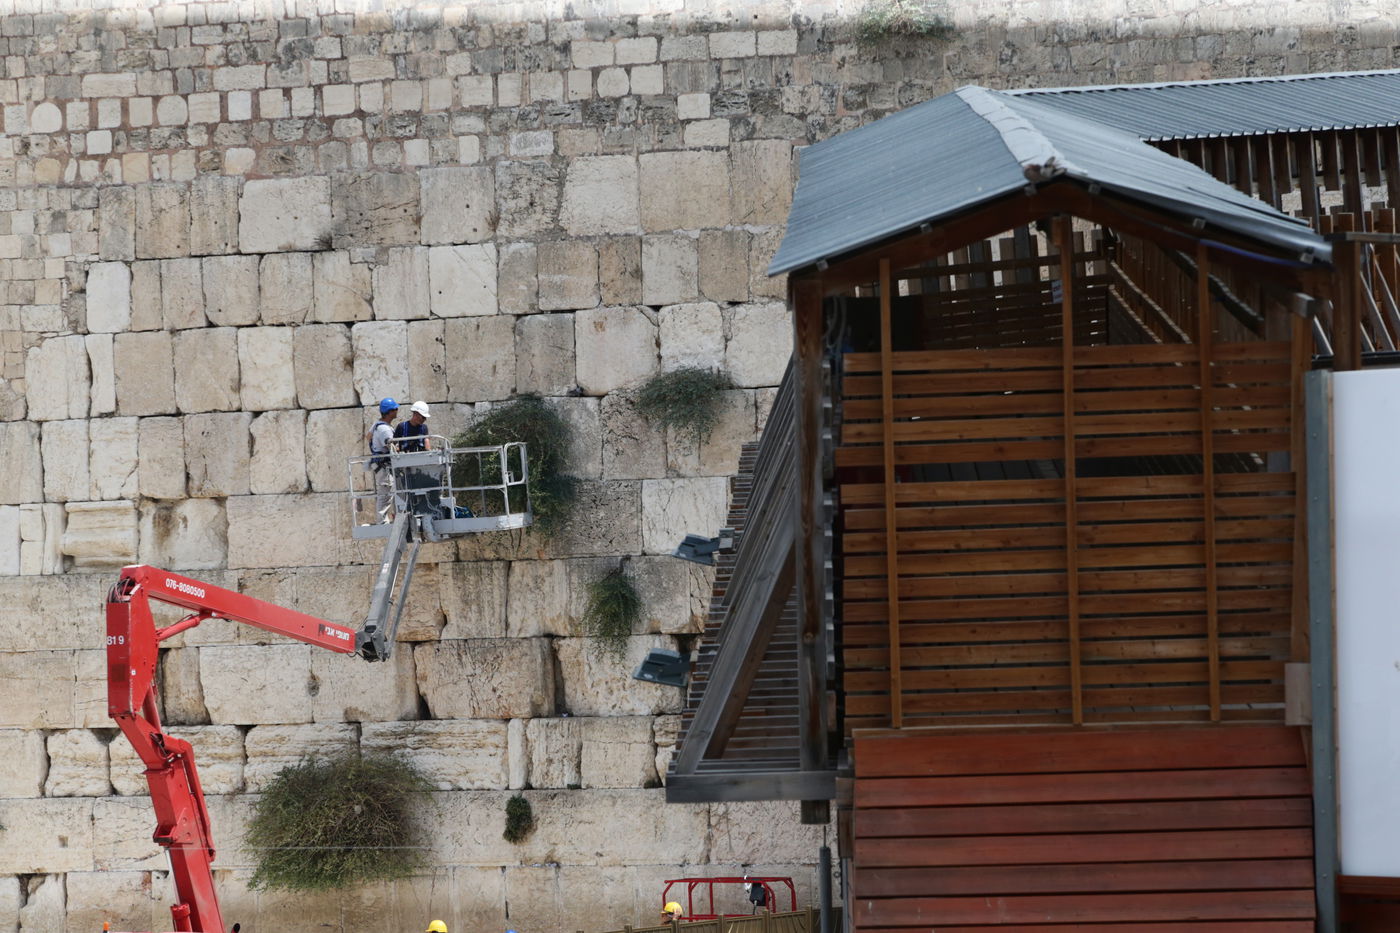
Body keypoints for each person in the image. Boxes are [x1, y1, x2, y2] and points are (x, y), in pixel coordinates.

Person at [366, 397, 398, 523]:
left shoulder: (377, 424)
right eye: (395, 409)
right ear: (390, 412)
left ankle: (386, 519)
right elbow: (391, 447)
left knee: (388, 493)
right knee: (386, 494)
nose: (397, 410)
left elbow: (368, 437)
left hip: (381, 464)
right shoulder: (384, 429)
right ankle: (382, 521)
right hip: (384, 466)